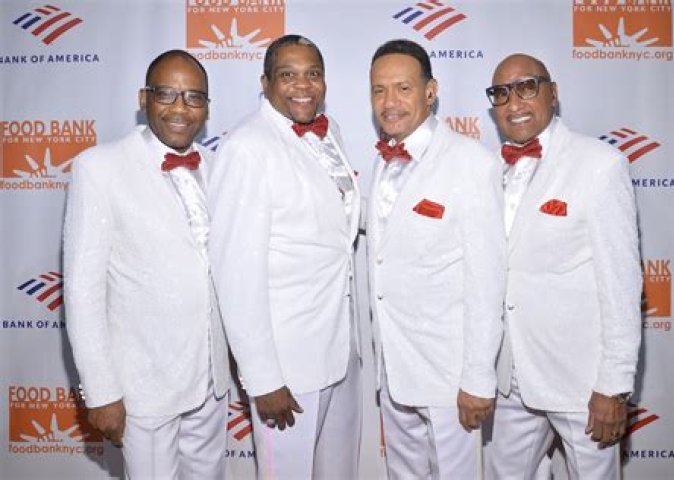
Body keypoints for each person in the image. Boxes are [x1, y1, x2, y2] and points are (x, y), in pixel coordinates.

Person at [63, 49, 230, 479]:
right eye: (166, 94)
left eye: (194, 97)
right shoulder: (100, 168)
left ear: (207, 107)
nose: (180, 108)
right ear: (143, 99)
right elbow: (82, 289)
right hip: (143, 384)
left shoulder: (218, 167)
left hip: (211, 379)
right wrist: (101, 390)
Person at [208, 34, 362, 479]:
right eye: (288, 75)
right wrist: (263, 378)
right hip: (287, 365)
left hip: (340, 351)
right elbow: (235, 274)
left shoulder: (330, 132)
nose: (303, 85)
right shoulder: (246, 147)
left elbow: (340, 222)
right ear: (266, 83)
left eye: (313, 73)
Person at [482, 53, 642, 479]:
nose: (514, 102)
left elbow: (622, 285)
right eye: (501, 93)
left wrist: (614, 385)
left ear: (553, 93)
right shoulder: (489, 170)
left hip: (581, 382)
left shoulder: (599, 165)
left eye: (527, 87)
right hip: (512, 376)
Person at [366, 39, 506, 479]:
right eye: (379, 90)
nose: (389, 102)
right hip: (393, 369)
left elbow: (487, 279)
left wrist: (478, 378)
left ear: (431, 92)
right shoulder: (381, 162)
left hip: (451, 377)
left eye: (403, 88)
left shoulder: (471, 163)